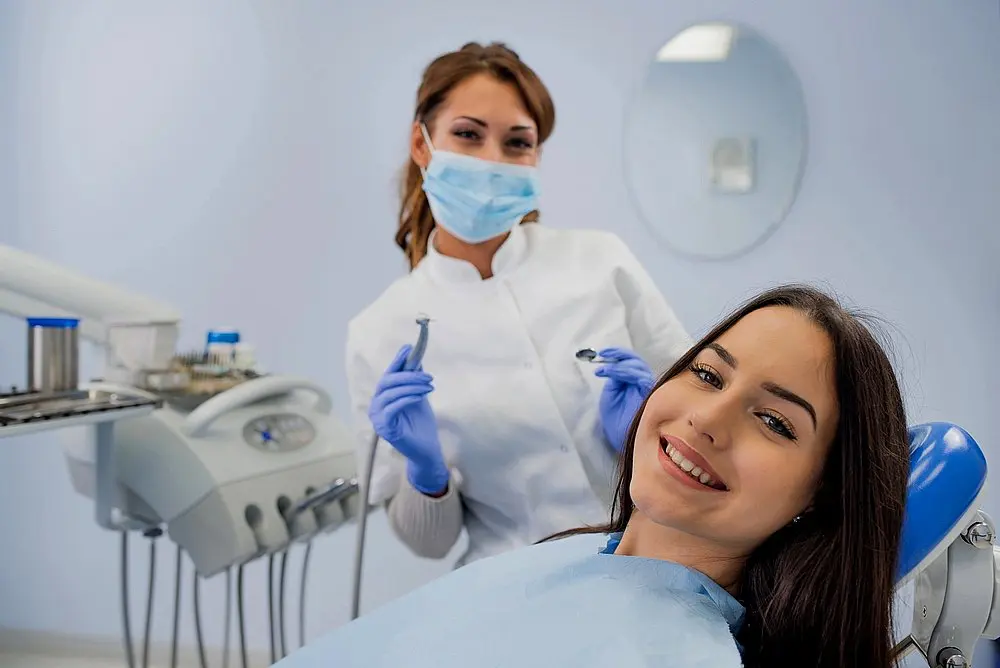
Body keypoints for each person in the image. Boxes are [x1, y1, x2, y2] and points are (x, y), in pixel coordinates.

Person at [286, 285, 910, 667]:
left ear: (822, 492)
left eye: (774, 422)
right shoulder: (574, 558)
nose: (706, 418)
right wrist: (425, 471)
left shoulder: (676, 653)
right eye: (707, 375)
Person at [345, 42, 691, 567]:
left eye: (516, 143)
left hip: (654, 562)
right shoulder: (380, 331)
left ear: (536, 157)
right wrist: (426, 472)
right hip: (513, 593)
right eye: (467, 134)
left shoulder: (601, 261)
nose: (491, 161)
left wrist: (642, 439)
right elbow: (430, 544)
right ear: (422, 145)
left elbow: (701, 431)